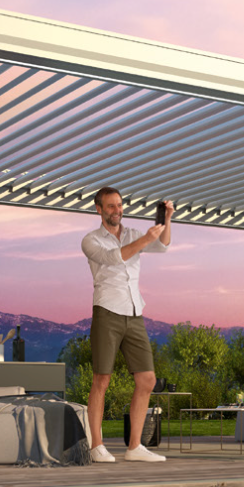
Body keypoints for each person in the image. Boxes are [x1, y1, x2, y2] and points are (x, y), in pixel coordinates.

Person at [80, 186, 174, 463]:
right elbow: (114, 257)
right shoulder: (90, 240)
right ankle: (96, 446)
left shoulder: (134, 233)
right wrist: (146, 239)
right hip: (107, 310)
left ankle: (135, 447)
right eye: (110, 206)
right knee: (102, 379)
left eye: (119, 205)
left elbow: (163, 245)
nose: (117, 210)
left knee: (147, 379)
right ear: (99, 209)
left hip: (135, 311)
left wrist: (166, 219)